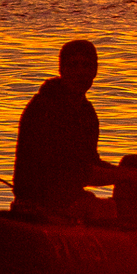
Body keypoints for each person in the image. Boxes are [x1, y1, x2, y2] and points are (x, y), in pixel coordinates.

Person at [12, 39, 123, 220]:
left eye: (86, 66)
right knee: (107, 210)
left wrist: (127, 173)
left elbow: (89, 163)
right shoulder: (45, 109)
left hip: (66, 200)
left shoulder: (86, 112)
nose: (80, 72)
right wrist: (125, 177)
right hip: (38, 205)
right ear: (62, 70)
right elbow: (76, 172)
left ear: (95, 71)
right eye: (73, 65)